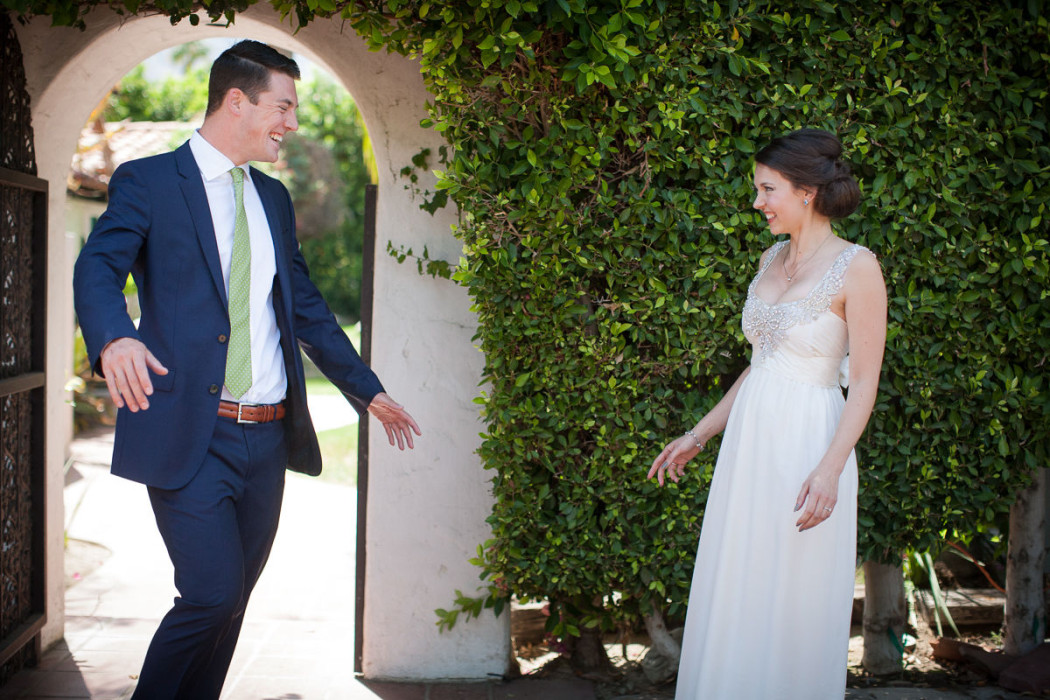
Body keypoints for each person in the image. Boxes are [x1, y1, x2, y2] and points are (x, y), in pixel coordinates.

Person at [73, 40, 421, 700]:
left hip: (265, 437)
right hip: (188, 431)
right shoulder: (147, 183)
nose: (290, 124)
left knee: (231, 603)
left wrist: (367, 392)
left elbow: (308, 310)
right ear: (237, 101)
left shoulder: (273, 198)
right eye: (282, 106)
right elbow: (98, 267)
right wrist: (114, 337)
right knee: (210, 593)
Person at [648, 128, 887, 699]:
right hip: (749, 448)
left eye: (767, 189)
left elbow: (866, 385)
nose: (757, 203)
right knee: (741, 585)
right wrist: (699, 433)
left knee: (793, 597)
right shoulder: (770, 257)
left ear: (806, 191)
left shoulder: (858, 267)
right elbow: (763, 365)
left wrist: (830, 470)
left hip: (810, 446)